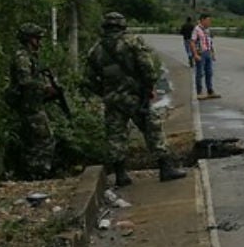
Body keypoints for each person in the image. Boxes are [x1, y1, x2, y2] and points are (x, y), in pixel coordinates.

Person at [84, 11, 186, 186]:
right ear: (122, 26)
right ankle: (165, 168)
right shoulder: (132, 42)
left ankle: (121, 174)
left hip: (113, 100)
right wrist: (148, 87)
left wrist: (105, 92)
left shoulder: (96, 50)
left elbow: (87, 79)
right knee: (152, 129)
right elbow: (148, 68)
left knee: (115, 136)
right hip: (135, 97)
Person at [6, 22, 56, 180]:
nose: (39, 42)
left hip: (34, 104)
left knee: (35, 140)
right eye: (36, 38)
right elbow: (25, 81)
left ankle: (33, 173)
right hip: (28, 106)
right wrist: (45, 87)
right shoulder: (22, 57)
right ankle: (37, 172)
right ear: (29, 39)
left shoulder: (31, 56)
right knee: (44, 139)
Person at [190, 12, 219, 100]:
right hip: (200, 53)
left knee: (209, 72)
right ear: (202, 20)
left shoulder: (207, 30)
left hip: (207, 52)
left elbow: (209, 42)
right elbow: (192, 42)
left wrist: (212, 52)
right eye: (208, 20)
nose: (209, 22)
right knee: (200, 73)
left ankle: (210, 91)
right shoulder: (196, 29)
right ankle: (199, 92)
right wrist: (195, 54)